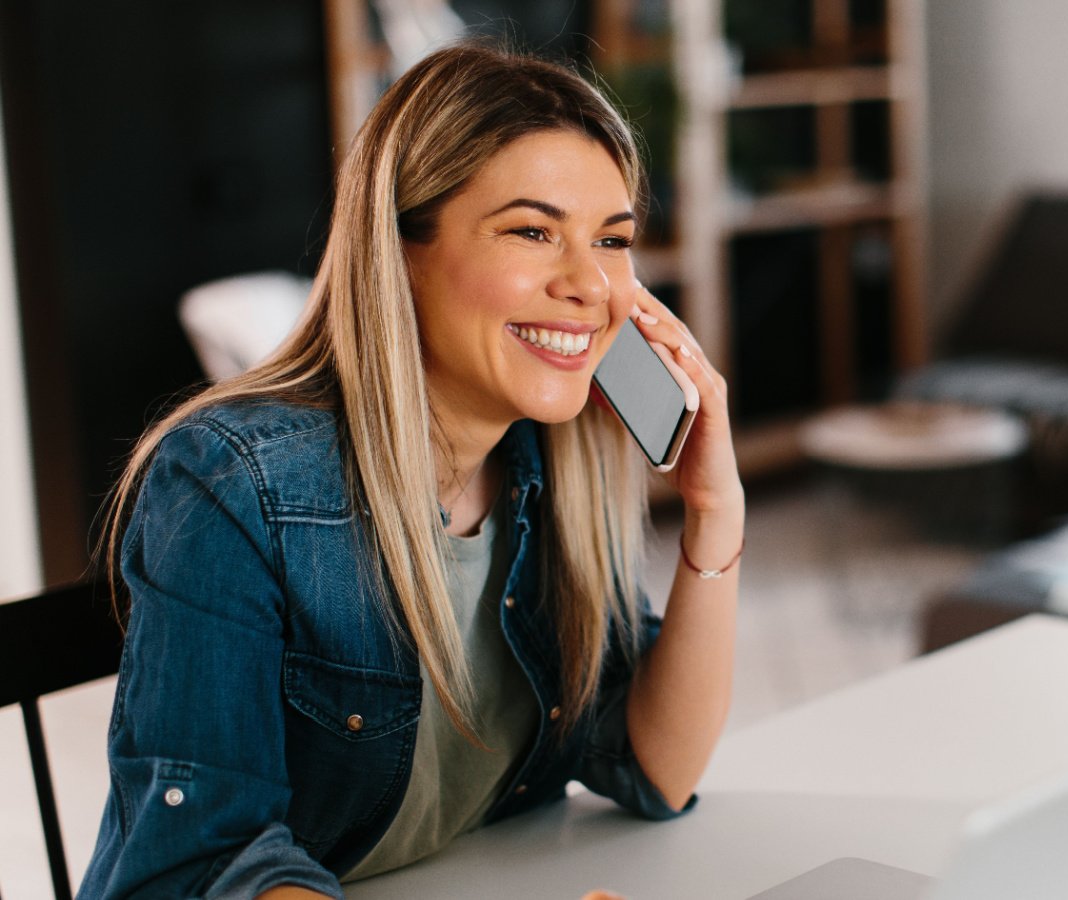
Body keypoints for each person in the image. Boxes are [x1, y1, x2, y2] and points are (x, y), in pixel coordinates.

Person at [79, 41, 742, 898]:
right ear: (400, 251)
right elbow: (203, 864)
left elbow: (656, 768)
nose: (594, 285)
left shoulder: (547, 463)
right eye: (534, 231)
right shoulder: (231, 483)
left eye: (612, 241)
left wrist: (713, 513)